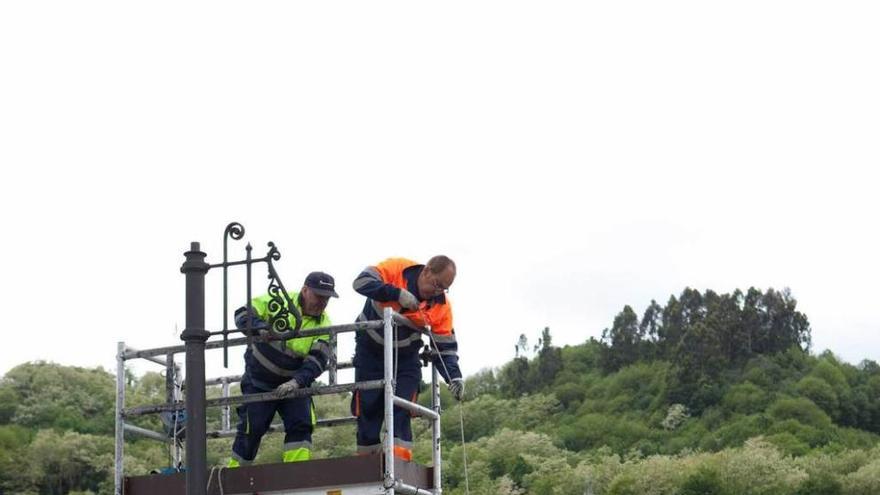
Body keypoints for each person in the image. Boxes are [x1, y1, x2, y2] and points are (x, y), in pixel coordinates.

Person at [351, 256, 464, 462]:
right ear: (427, 271)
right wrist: (397, 294)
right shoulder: (397, 269)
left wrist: (454, 377)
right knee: (368, 410)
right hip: (370, 353)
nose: (437, 292)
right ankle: (365, 468)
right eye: (437, 285)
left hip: (406, 359)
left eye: (444, 289)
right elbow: (360, 283)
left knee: (402, 407)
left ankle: (399, 468)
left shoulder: (441, 307)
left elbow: (445, 347)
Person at [228, 271, 338, 466]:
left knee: (302, 424)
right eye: (318, 296)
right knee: (251, 427)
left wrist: (296, 382)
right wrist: (260, 328)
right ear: (305, 290)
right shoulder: (277, 301)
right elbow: (242, 314)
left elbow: (318, 361)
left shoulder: (325, 325)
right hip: (258, 381)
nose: (322, 302)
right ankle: (234, 477)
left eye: (326, 298)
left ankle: (297, 474)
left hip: (294, 384)